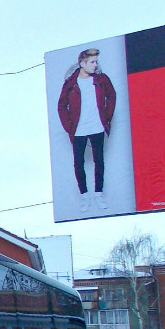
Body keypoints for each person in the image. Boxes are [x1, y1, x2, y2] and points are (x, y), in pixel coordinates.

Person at [56, 48, 116, 212]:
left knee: (99, 161)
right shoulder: (70, 83)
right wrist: (69, 127)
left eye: (96, 61)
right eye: (92, 62)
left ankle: (98, 194)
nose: (95, 65)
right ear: (82, 63)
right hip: (78, 129)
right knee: (78, 163)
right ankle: (84, 196)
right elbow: (61, 105)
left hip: (97, 126)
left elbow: (111, 95)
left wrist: (107, 116)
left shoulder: (102, 79)